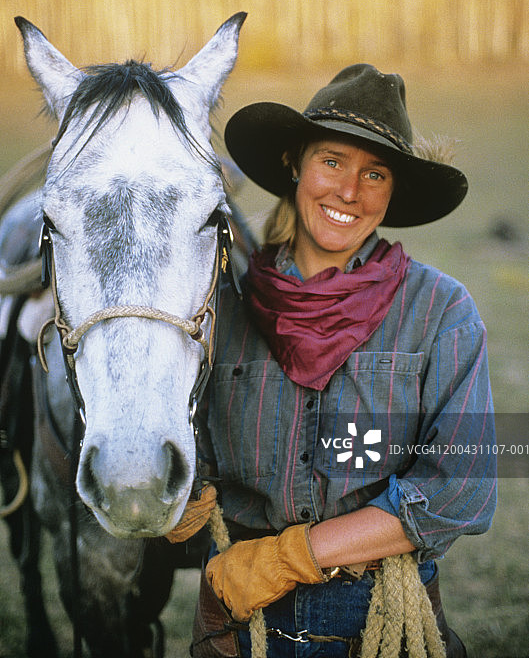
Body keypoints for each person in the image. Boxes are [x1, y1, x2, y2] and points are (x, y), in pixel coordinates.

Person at [166, 64, 496, 657]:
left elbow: (461, 489)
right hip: (236, 618)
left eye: (375, 173)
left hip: (380, 616)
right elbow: (189, 449)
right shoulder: (223, 305)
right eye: (332, 162)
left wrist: (292, 556)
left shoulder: (441, 312)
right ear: (295, 162)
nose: (350, 191)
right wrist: (181, 490)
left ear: (393, 191)